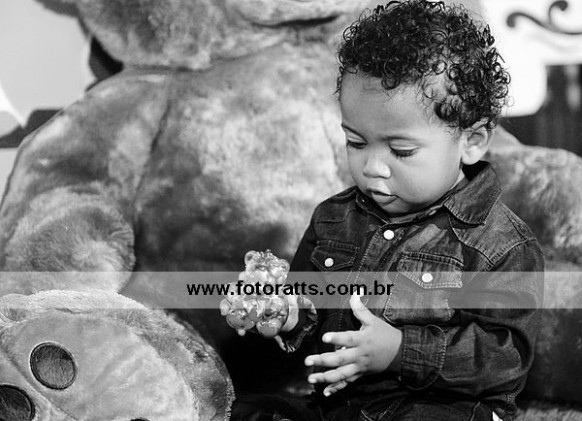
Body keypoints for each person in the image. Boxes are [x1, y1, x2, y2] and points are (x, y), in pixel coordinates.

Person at [228, 1, 544, 420]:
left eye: (401, 150)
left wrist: (400, 350)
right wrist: (284, 313)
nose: (373, 167)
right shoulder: (333, 219)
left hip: (441, 407)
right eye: (356, 143)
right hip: (340, 404)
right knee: (248, 410)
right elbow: (310, 315)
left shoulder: (502, 245)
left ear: (472, 141)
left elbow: (505, 359)